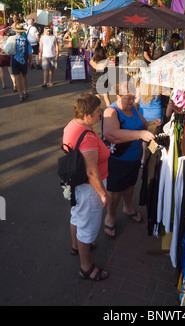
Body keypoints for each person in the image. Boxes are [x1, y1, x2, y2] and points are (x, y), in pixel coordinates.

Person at [102, 82, 161, 239]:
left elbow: (143, 123)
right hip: (118, 159)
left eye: (133, 98)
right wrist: (139, 135)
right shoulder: (111, 111)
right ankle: (110, 216)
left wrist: (152, 122)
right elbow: (110, 134)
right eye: (128, 98)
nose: (132, 101)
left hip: (134, 157)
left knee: (130, 186)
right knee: (115, 192)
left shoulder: (132, 108)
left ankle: (127, 208)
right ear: (118, 96)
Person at [62, 93, 110, 281]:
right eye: (98, 112)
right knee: (87, 227)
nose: (101, 114)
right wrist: (103, 193)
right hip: (90, 188)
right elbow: (91, 172)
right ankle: (86, 267)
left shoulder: (72, 125)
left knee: (77, 217)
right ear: (87, 115)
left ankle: (76, 246)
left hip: (78, 185)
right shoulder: (87, 137)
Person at [9, 24, 32, 102]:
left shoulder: (11, 39)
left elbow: (6, 49)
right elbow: (30, 52)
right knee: (24, 76)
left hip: (14, 60)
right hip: (23, 60)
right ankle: (25, 91)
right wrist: (30, 61)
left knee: (17, 78)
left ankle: (21, 95)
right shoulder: (25, 40)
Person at [89, 43, 111, 107]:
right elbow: (103, 66)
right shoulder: (106, 61)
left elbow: (93, 59)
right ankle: (109, 110)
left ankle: (98, 113)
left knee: (97, 99)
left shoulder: (92, 62)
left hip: (95, 82)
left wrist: (95, 54)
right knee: (106, 97)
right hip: (104, 82)